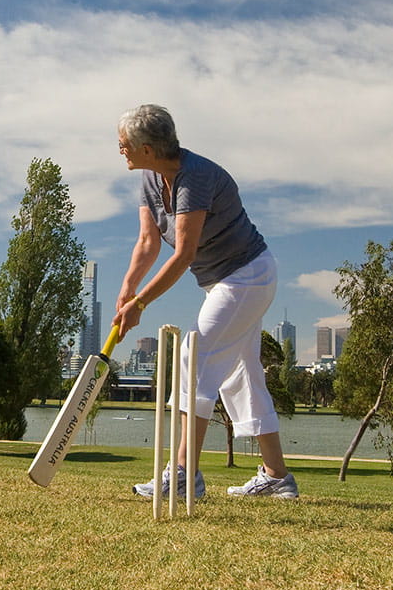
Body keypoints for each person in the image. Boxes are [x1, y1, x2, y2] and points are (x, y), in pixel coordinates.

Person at [112, 104, 298, 501]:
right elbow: (148, 242)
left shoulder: (195, 177)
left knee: (190, 357)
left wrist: (141, 304)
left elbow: (183, 253)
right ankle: (277, 476)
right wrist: (128, 287)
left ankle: (183, 475)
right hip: (224, 282)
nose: (120, 149)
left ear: (147, 147)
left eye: (125, 143)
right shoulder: (149, 177)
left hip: (247, 275)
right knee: (242, 375)